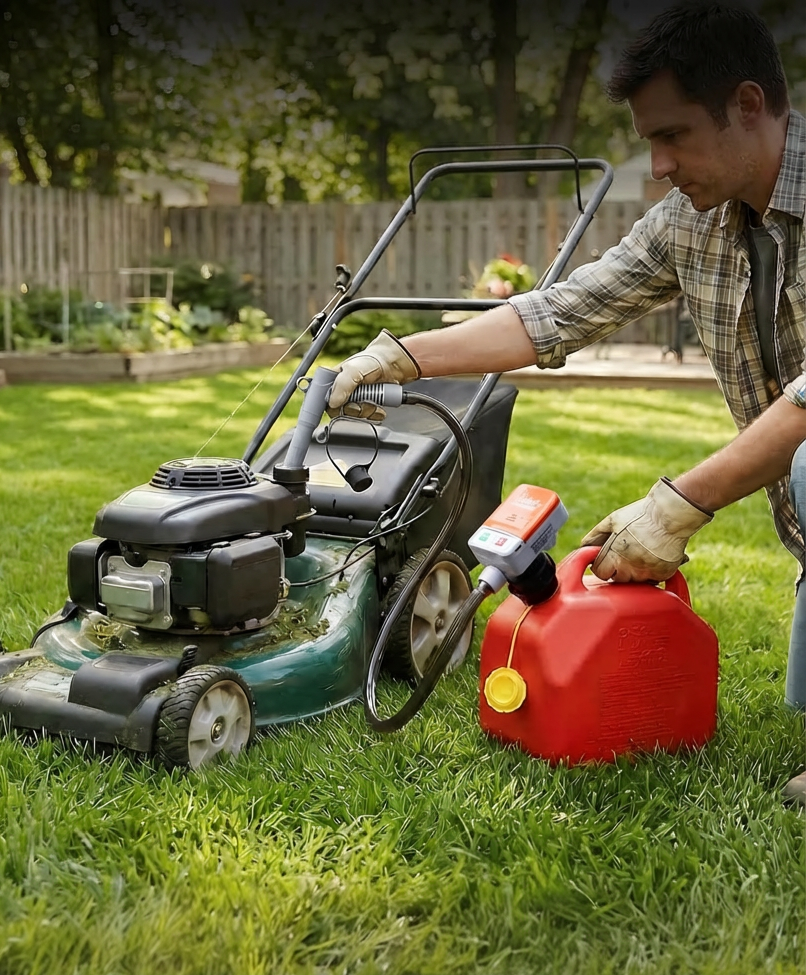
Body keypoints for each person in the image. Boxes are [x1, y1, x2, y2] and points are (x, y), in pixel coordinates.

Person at [327, 2, 806, 804]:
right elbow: (559, 310)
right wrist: (403, 356)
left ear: (747, 106)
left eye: (673, 135)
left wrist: (678, 505)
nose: (656, 164)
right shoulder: (694, 225)